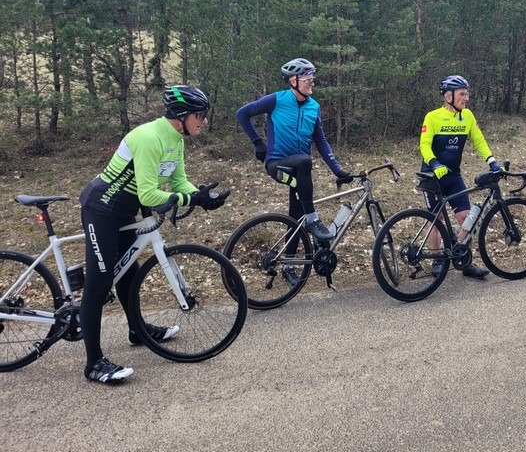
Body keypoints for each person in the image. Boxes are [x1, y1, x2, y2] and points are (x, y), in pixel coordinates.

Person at [78, 85, 230, 384]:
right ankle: (93, 363)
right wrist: (190, 199)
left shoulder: (176, 139)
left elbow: (178, 182)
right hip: (101, 208)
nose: (204, 121)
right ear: (181, 115)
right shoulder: (149, 137)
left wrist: (201, 196)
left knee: (129, 275)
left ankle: (137, 330)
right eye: (200, 115)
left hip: (124, 210)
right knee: (99, 283)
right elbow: (148, 195)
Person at [236, 58, 353, 284]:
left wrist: (338, 171)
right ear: (293, 81)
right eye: (308, 79)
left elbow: (321, 141)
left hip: (299, 173)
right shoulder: (277, 100)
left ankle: (288, 265)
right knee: (304, 161)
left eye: (312, 79)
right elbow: (242, 113)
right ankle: (313, 219)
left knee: (295, 214)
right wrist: (258, 143)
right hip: (277, 164)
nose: (312, 83)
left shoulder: (313, 107)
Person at [418, 75, 502, 280]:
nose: (466, 98)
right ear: (449, 96)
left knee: (466, 219)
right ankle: (438, 260)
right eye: (462, 94)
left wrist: (491, 161)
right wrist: (434, 163)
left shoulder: (468, 116)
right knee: (436, 220)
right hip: (432, 176)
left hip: (453, 176)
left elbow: (479, 141)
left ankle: (465, 260)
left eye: (467, 94)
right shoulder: (433, 117)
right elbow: (424, 145)